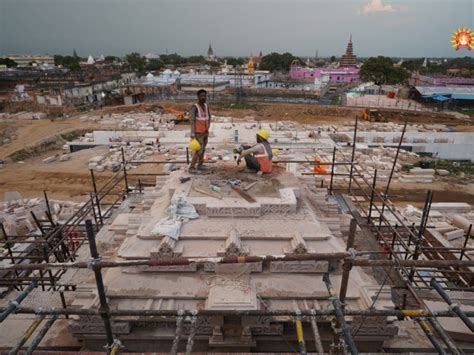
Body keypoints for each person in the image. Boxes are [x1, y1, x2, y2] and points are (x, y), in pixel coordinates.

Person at [189, 89, 211, 173]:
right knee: (198, 150)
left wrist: (208, 128)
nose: (203, 97)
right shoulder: (195, 107)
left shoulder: (206, 106)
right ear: (198, 97)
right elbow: (192, 120)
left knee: (203, 149)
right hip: (198, 133)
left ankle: (200, 164)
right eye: (201, 96)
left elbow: (208, 117)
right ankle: (192, 167)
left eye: (204, 96)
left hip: (205, 132)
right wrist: (192, 133)